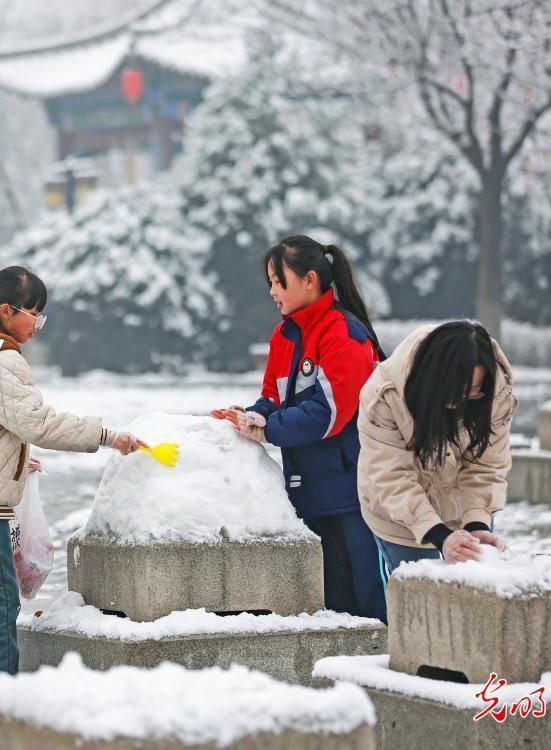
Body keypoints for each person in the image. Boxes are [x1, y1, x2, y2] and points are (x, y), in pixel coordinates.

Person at [0, 266, 143, 694]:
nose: (37, 325)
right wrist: (106, 435)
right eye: (34, 314)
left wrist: (12, 457)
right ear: (6, 310)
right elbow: (38, 422)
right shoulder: (2, 360)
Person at [215, 235, 387, 622]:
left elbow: (332, 412)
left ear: (310, 280)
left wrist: (268, 428)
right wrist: (250, 416)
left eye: (280, 282)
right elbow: (271, 398)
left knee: (373, 601)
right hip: (309, 491)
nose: (273, 292)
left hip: (356, 495)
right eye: (270, 284)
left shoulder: (344, 332)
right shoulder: (284, 336)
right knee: (334, 606)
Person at [357, 321, 516, 585]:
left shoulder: (496, 393)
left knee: (472, 600)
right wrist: (439, 535)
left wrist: (476, 524)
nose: (467, 398)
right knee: (416, 607)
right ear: (435, 376)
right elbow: (391, 477)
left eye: (476, 390)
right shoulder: (384, 395)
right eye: (459, 389)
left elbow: (485, 467)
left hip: (464, 510)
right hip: (402, 521)